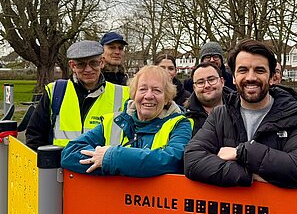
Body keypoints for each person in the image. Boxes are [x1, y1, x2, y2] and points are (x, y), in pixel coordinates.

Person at [184, 39, 297, 188]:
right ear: (234, 78)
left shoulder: (296, 115)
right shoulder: (220, 115)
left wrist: (242, 153)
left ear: (272, 77)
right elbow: (192, 160)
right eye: (243, 70)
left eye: (259, 70)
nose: (250, 77)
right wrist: (248, 175)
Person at [61, 65, 192, 177]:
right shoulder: (114, 121)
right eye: (143, 89)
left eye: (157, 90)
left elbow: (173, 160)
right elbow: (70, 153)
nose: (148, 96)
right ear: (134, 94)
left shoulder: (180, 124)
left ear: (167, 98)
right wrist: (119, 166)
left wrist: (112, 159)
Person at [26, 40, 129, 150]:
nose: (88, 69)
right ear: (72, 66)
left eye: (93, 63)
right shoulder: (55, 91)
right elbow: (35, 136)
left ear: (101, 62)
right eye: (81, 64)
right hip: (60, 166)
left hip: (104, 166)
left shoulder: (123, 94)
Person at [185, 62, 234, 135]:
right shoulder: (186, 121)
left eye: (211, 80)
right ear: (194, 88)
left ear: (222, 82)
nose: (207, 85)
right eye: (200, 82)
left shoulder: (240, 109)